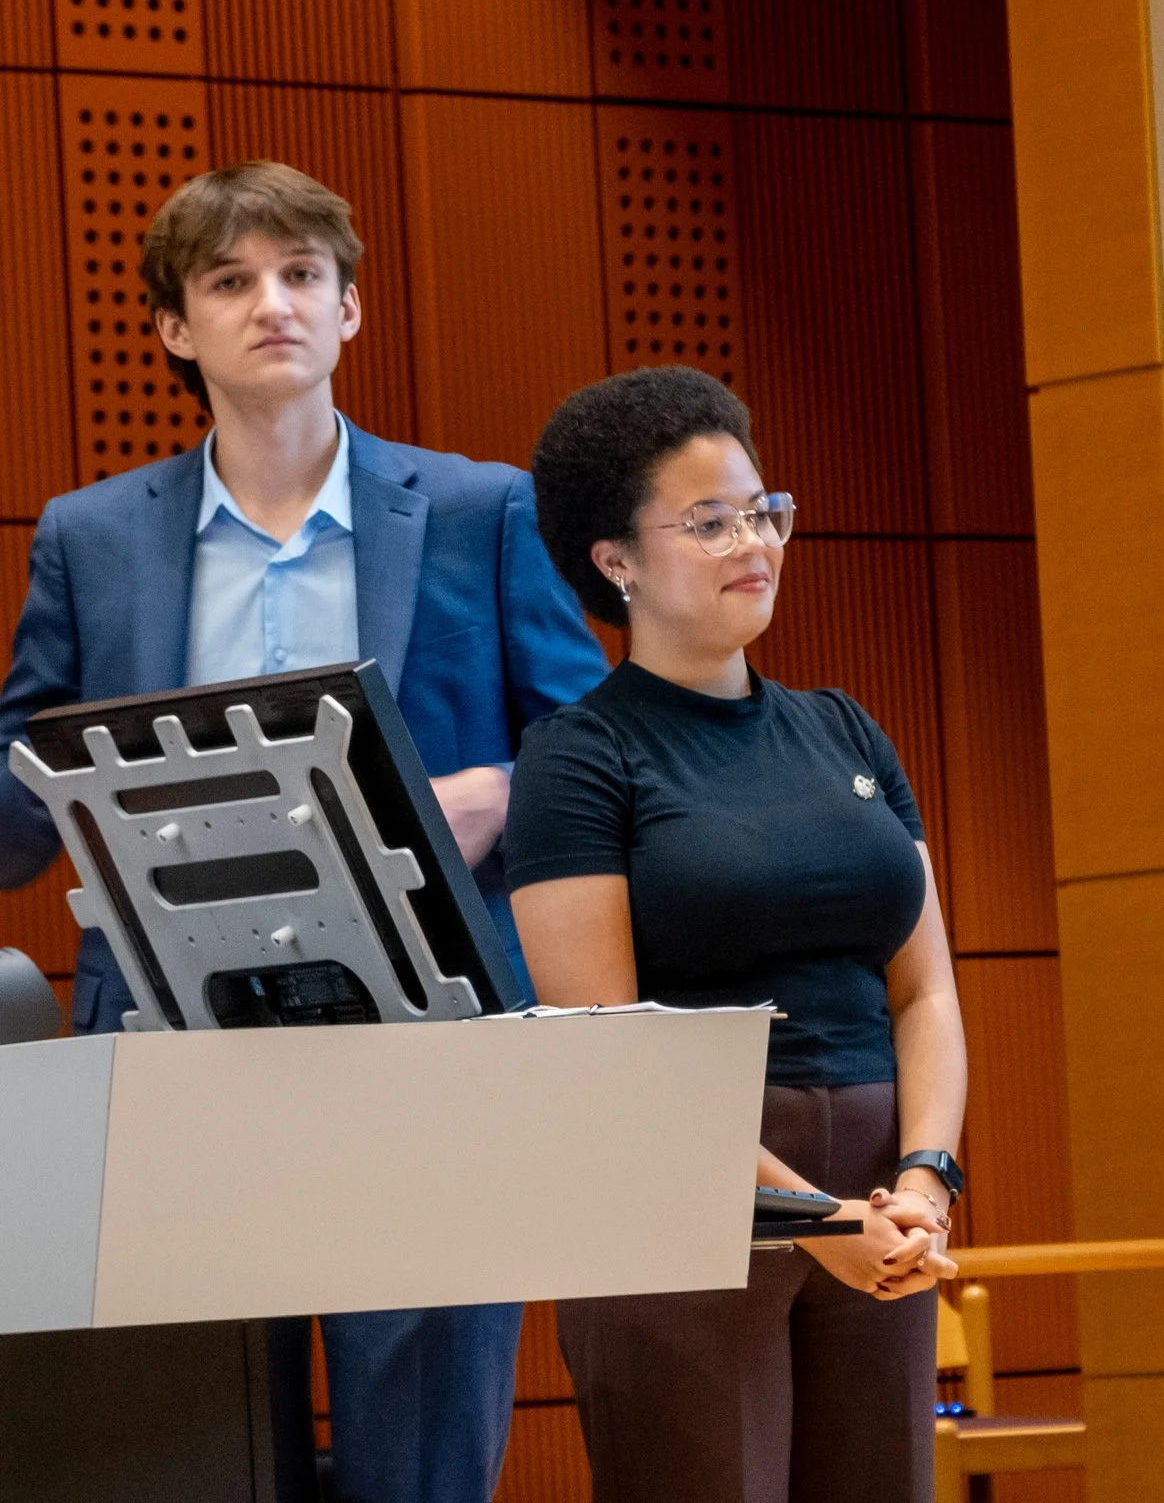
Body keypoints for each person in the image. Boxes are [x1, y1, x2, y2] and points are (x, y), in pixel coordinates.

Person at [0, 162, 613, 1501]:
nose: (269, 302)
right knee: (184, 1451)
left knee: (420, 1463)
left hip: (426, 1033)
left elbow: (601, 749)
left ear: (349, 311)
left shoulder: (478, 508)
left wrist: (503, 789)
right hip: (169, 1044)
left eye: (300, 274)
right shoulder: (90, 538)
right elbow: (17, 800)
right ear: (175, 327)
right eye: (230, 280)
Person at [505, 365, 966, 1503]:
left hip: (884, 1203)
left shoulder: (844, 728)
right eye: (708, 522)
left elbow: (926, 992)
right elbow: (605, 1039)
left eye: (763, 512)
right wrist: (812, 1215)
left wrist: (925, 1178)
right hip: (685, 1197)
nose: (752, 542)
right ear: (616, 561)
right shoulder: (578, 756)